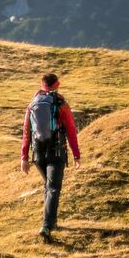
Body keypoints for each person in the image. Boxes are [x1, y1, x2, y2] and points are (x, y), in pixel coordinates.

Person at [21, 71, 82, 241]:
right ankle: (47, 226)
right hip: (56, 151)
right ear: (57, 84)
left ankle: (51, 222)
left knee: (48, 186)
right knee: (53, 188)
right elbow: (71, 131)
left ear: (42, 85)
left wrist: (24, 158)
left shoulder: (33, 103)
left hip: (38, 154)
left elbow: (26, 132)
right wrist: (76, 154)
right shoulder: (61, 103)